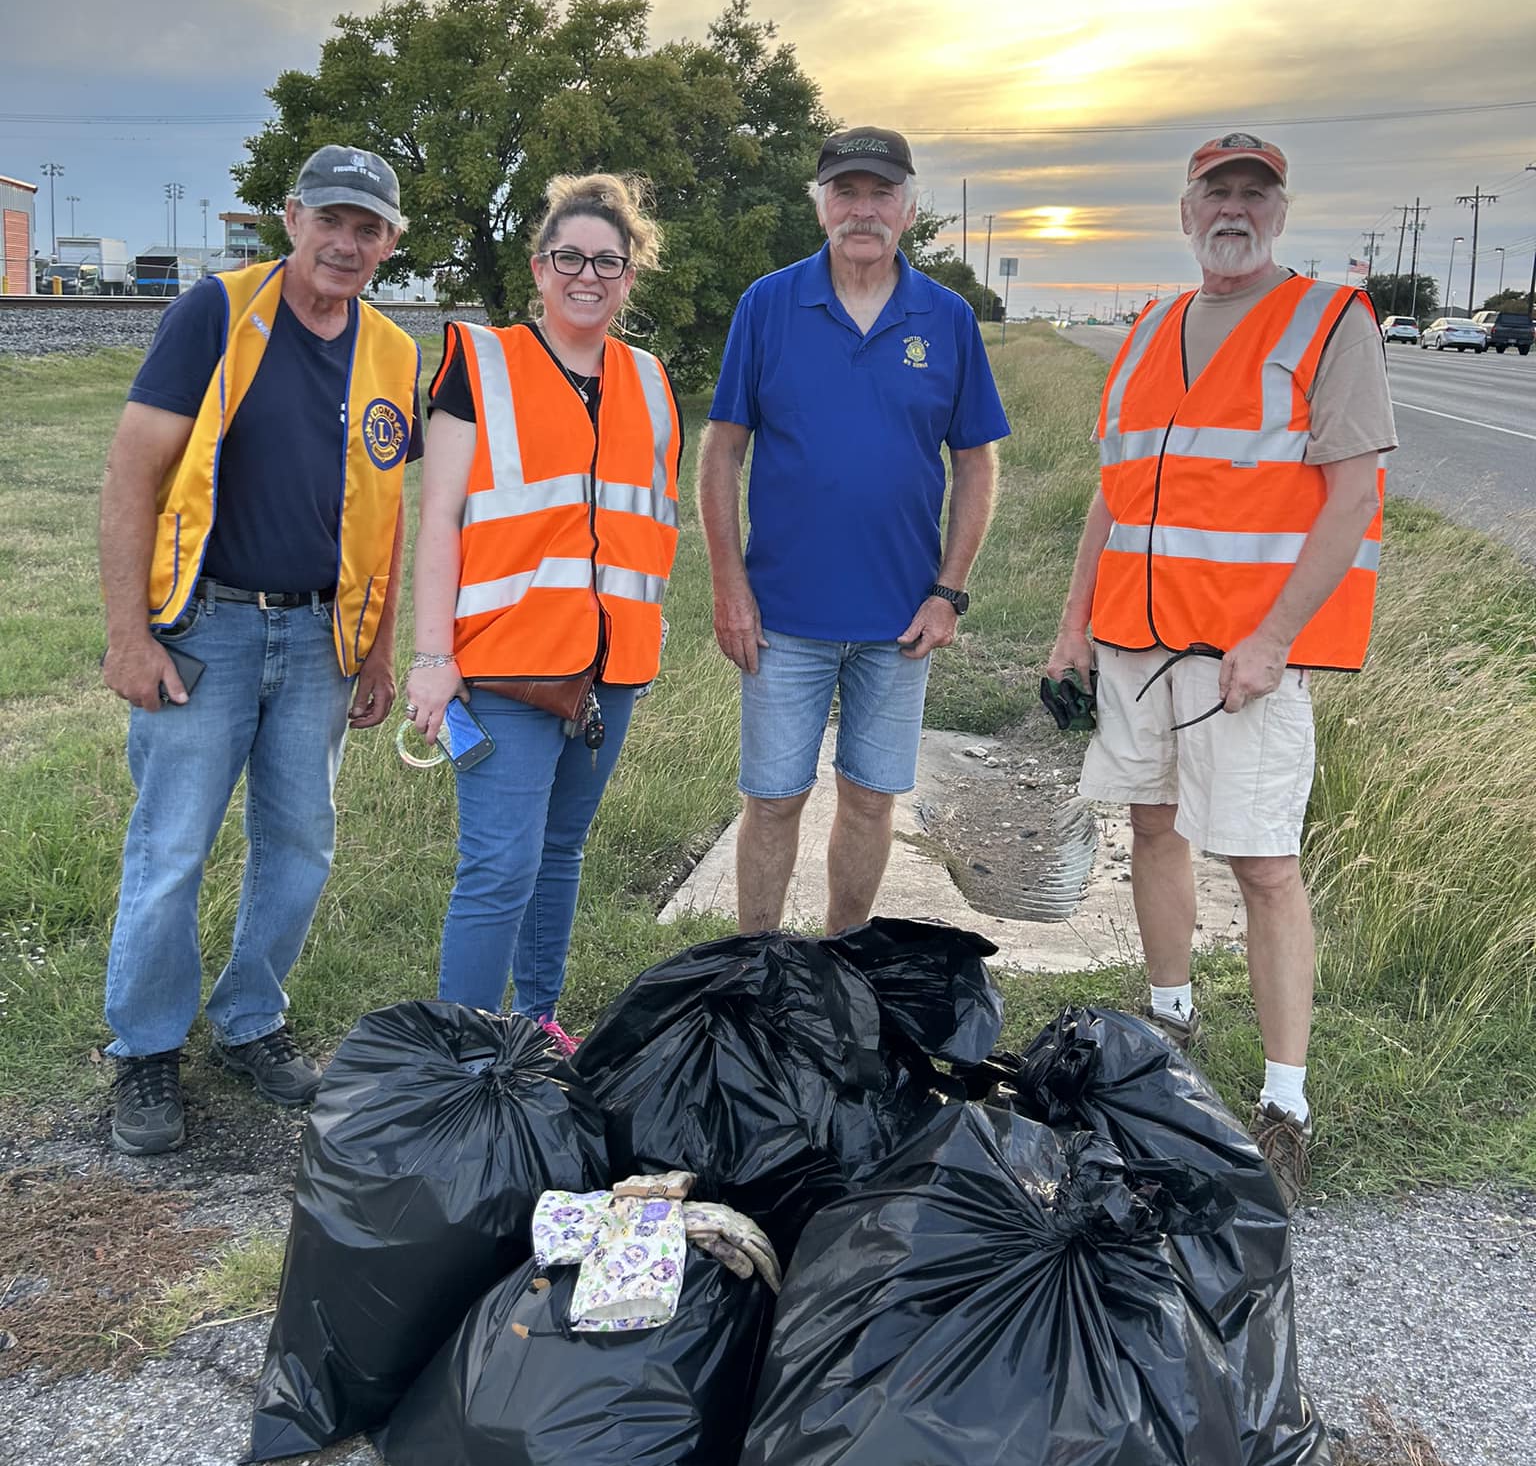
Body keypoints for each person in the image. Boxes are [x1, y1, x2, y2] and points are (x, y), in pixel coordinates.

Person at [1046, 131, 1396, 1207]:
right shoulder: (1150, 328)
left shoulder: (1329, 321)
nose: (1234, 208)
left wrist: (1275, 636)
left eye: (1255, 191)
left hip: (1246, 656)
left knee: (1263, 865)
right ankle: (1170, 1022)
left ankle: (1285, 1105)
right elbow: (1113, 491)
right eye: (1216, 192)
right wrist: (1073, 623)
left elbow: (1351, 497)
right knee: (1153, 826)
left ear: (1280, 212)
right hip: (1141, 641)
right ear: (1187, 211)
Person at [100, 146, 422, 1155]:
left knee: (300, 844)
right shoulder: (216, 311)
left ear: (391, 244)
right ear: (289, 218)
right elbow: (132, 472)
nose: (346, 240)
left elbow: (387, 512)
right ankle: (146, 1047)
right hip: (211, 628)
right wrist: (128, 632)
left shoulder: (393, 352)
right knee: (172, 848)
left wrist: (373, 652)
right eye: (331, 217)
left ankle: (250, 1019)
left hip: (322, 634)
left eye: (368, 227)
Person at [698, 126, 1010, 936]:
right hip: (782, 617)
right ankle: (757, 969)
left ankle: (842, 962)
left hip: (900, 621)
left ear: (909, 209)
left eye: (880, 194)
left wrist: (948, 592)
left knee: (871, 801)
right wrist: (730, 587)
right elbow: (721, 451)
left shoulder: (945, 319)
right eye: (846, 192)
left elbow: (977, 464)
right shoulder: (768, 304)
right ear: (821, 206)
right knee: (771, 801)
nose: (862, 211)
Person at [405, 173, 682, 1053]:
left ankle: (534, 1025)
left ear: (632, 274)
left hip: (614, 666)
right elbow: (440, 518)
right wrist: (429, 658)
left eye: (609, 260)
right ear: (539, 267)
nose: (588, 276)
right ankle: (461, 1055)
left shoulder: (650, 380)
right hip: (505, 666)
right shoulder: (481, 364)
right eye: (570, 258)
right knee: (499, 867)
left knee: (560, 851)